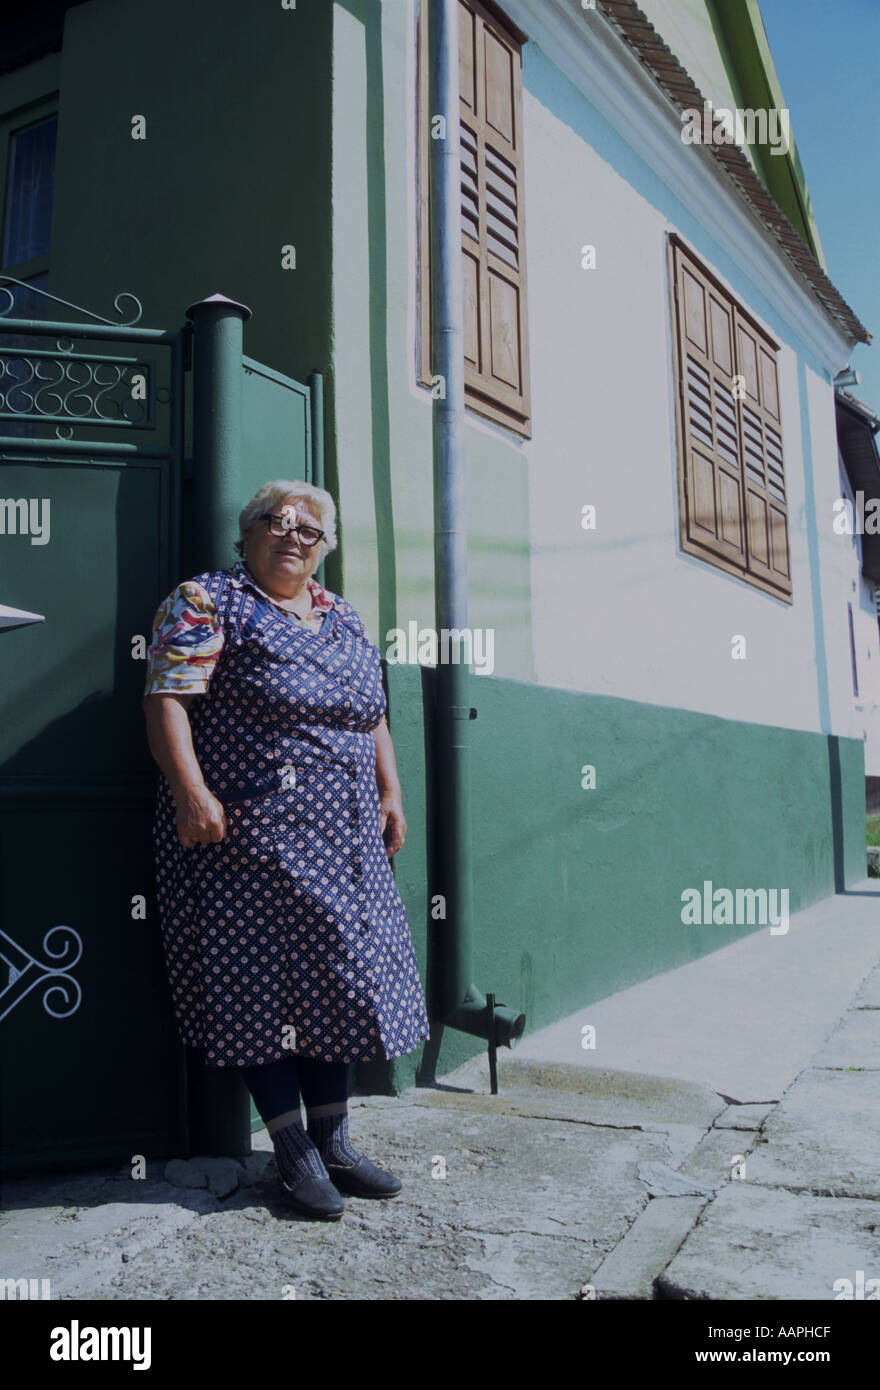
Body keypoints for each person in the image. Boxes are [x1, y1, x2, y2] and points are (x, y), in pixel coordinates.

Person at [142, 479, 430, 1220]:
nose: (293, 536)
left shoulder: (342, 615)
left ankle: (334, 1140)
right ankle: (292, 1152)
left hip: (346, 839)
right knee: (258, 987)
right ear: (246, 537)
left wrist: (390, 793)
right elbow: (167, 695)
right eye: (276, 522)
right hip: (248, 837)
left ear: (324, 550)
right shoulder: (207, 601)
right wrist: (191, 792)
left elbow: (372, 715)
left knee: (337, 976)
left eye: (310, 530)